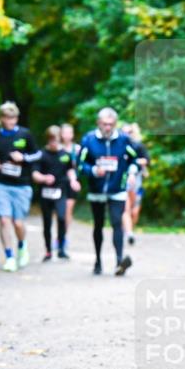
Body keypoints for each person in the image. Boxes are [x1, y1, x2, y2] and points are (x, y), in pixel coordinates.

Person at [78, 108, 141, 276]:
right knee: (98, 225)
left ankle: (119, 262)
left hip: (117, 188)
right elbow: (79, 165)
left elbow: (135, 159)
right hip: (96, 189)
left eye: (111, 124)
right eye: (104, 124)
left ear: (115, 124)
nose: (108, 127)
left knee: (116, 223)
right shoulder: (89, 140)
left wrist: (132, 173)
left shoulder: (124, 140)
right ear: (98, 123)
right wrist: (92, 170)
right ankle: (98, 261)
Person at [0, 101, 42, 272]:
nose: (11, 121)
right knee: (4, 219)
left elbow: (38, 154)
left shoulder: (25, 135)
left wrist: (23, 158)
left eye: (14, 118)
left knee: (18, 223)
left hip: (22, 185)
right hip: (0, 183)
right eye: (7, 118)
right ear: (1, 119)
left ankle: (22, 247)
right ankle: (9, 256)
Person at [33, 125, 80, 261]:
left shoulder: (65, 155)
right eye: (51, 140)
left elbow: (70, 170)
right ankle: (48, 251)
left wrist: (73, 180)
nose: (54, 142)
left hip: (61, 191)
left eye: (56, 139)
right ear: (48, 140)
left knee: (61, 217)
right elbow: (34, 173)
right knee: (47, 222)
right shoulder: (41, 154)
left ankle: (61, 249)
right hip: (45, 193)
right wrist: (43, 178)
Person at [120, 122, 150, 245]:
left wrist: (135, 162)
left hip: (137, 181)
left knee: (135, 212)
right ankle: (129, 233)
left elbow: (147, 160)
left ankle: (128, 230)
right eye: (124, 132)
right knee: (125, 208)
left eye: (129, 132)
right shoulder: (118, 146)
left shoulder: (138, 146)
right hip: (124, 180)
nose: (127, 134)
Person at [60, 123, 82, 252]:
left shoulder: (77, 149)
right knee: (60, 212)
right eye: (64, 132)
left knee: (68, 210)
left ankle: (64, 236)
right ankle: (60, 235)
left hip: (73, 182)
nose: (67, 135)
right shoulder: (56, 148)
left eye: (69, 133)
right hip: (59, 183)